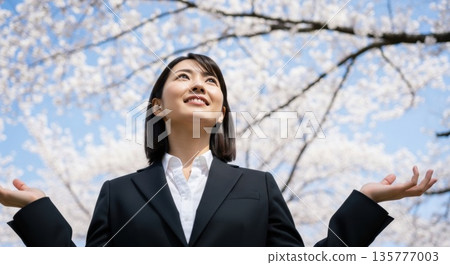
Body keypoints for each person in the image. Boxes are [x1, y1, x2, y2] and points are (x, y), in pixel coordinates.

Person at [0, 53, 437, 247]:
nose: (198, 84)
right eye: (184, 76)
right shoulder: (118, 194)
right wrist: (38, 210)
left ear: (221, 109)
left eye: (211, 81)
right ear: (157, 105)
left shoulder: (259, 187)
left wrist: (362, 205)